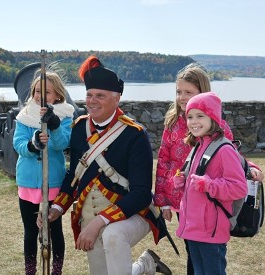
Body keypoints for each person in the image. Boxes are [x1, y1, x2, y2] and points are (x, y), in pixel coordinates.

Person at [40, 56, 171, 275]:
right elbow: (74, 174)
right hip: (90, 216)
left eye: (100, 96)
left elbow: (141, 194)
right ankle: (145, 265)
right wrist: (56, 208)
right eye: (89, 95)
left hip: (134, 215)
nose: (92, 101)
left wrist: (100, 222)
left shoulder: (134, 135)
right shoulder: (80, 128)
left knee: (112, 234)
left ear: (116, 99)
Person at [153, 63, 264, 275]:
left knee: (206, 256)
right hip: (181, 200)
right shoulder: (173, 122)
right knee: (192, 250)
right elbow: (164, 161)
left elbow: (230, 156)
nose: (182, 97)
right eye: (179, 92)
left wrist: (250, 167)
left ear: (202, 93)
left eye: (188, 92)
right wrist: (163, 200)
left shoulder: (217, 128)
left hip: (208, 204)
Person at [174, 92, 248, 275]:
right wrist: (181, 181)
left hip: (211, 232)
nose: (193, 121)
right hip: (193, 228)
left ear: (213, 118)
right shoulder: (197, 146)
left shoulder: (224, 150)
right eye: (190, 116)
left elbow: (239, 188)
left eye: (200, 116)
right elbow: (194, 184)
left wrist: (209, 185)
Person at [13, 69, 75, 275]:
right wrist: (33, 145)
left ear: (57, 94)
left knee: (55, 231)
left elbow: (61, 144)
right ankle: (30, 271)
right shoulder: (25, 116)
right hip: (29, 181)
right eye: (37, 91)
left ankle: (56, 271)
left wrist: (54, 126)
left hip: (54, 181)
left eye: (47, 92)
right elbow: (18, 144)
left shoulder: (65, 115)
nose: (40, 96)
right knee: (30, 231)